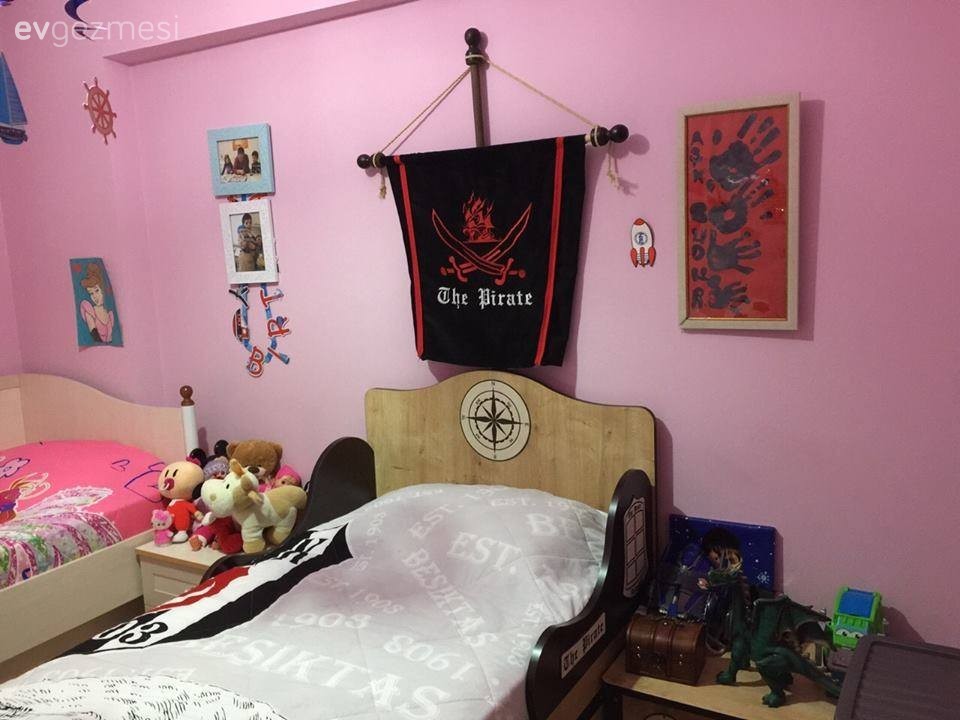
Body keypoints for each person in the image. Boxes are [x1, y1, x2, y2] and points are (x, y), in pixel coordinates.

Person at [78, 263, 115, 343]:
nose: (94, 296)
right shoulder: (90, 311)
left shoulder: (109, 315)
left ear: (102, 289)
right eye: (91, 293)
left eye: (97, 290)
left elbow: (110, 339)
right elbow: (95, 338)